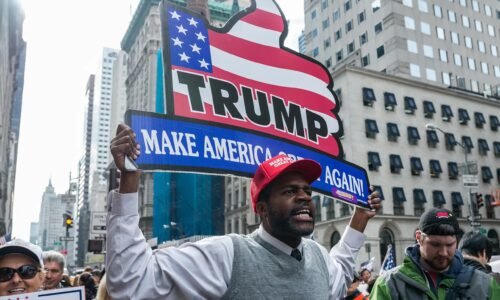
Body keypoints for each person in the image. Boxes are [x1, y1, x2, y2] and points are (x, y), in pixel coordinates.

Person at [106, 124, 381, 299]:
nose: (303, 197)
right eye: (289, 191)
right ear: (261, 209)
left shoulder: (319, 257)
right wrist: (129, 181)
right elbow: (131, 282)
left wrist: (359, 220)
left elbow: (341, 271)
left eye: (307, 191)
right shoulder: (227, 255)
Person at [371, 208, 500, 299]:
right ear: (418, 238)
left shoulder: (485, 284)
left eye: (450, 245)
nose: (443, 252)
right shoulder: (389, 284)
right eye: (435, 245)